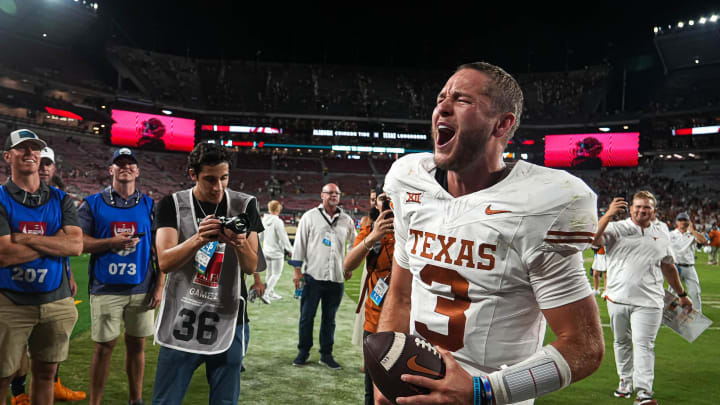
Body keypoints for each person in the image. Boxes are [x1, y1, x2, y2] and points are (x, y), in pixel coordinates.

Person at [377, 62, 604, 405]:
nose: (443, 105)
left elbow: (585, 346)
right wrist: (385, 377)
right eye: (441, 97)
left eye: (462, 99)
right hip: (415, 392)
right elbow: (401, 296)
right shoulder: (410, 183)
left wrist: (483, 391)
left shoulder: (542, 203)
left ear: (502, 123)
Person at [151, 142, 263, 405]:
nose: (218, 187)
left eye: (224, 178)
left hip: (230, 316)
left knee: (225, 401)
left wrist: (238, 241)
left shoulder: (245, 204)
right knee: (166, 400)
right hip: (183, 316)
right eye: (210, 179)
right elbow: (165, 262)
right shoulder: (172, 204)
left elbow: (251, 265)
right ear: (193, 174)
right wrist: (199, 238)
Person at [0, 129, 82, 405]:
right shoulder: (0, 198)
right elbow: (3, 255)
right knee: (2, 376)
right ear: (7, 156)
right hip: (10, 301)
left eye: (34, 148)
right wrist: (54, 241)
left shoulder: (61, 198)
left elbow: (75, 246)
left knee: (46, 373)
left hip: (56, 301)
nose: (29, 154)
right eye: (22, 148)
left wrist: (24, 238)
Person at [78, 147, 163, 405]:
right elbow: (79, 242)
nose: (125, 167)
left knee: (138, 346)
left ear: (137, 171)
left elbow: (161, 249)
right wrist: (110, 243)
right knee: (104, 348)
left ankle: (135, 400)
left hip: (142, 289)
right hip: (105, 289)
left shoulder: (150, 205)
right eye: (119, 163)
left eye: (130, 164)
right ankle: (95, 402)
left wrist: (159, 286)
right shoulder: (92, 203)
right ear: (111, 170)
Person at [595, 193, 692, 405]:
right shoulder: (615, 228)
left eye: (646, 208)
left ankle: (644, 392)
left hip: (650, 302)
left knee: (644, 345)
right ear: (630, 209)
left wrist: (682, 295)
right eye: (638, 207)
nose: (641, 211)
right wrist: (608, 215)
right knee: (621, 342)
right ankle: (624, 381)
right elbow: (593, 239)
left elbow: (668, 265)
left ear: (654, 211)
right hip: (617, 298)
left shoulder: (662, 231)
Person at [291, 183, 357, 369]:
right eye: (330, 193)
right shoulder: (310, 217)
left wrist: (350, 263)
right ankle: (303, 352)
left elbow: (354, 242)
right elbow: (299, 244)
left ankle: (326, 354)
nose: (334, 195)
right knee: (306, 317)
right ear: (322, 195)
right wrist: (297, 271)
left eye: (337, 193)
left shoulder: (346, 220)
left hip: (336, 278)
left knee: (330, 319)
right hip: (313, 275)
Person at [344, 191, 394, 404]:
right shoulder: (370, 226)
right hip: (375, 318)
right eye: (384, 197)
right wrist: (374, 235)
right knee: (372, 392)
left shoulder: (415, 227)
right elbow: (348, 265)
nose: (389, 202)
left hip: (409, 321)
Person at [669, 212, 707, 312]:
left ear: (689, 222)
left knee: (695, 292)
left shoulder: (693, 234)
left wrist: (692, 230)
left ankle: (698, 314)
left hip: (689, 267)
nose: (682, 222)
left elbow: (703, 241)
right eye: (680, 220)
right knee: (672, 293)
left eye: (685, 220)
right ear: (676, 222)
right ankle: (667, 313)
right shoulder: (670, 234)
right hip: (675, 267)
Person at [260, 200, 292, 301]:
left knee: (269, 274)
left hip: (266, 251)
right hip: (277, 253)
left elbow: (260, 237)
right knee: (276, 274)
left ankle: (271, 293)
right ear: (278, 209)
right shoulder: (278, 222)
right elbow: (283, 238)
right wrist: (290, 249)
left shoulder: (263, 220)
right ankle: (265, 293)